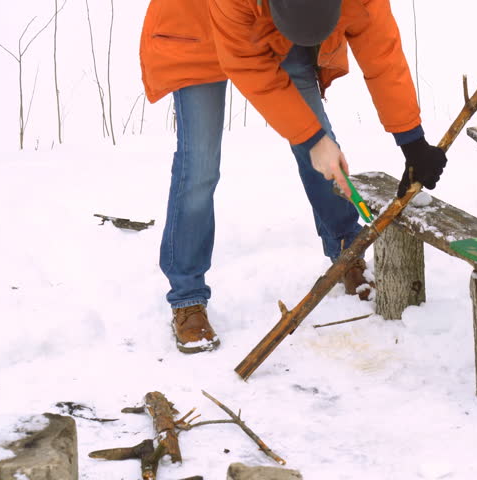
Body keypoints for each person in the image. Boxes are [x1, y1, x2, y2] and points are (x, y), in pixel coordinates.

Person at [139, 0, 447, 353]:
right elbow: (246, 64)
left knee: (321, 147)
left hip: (286, 31)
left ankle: (347, 248)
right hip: (193, 29)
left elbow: (381, 52)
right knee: (199, 167)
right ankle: (186, 296)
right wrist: (312, 139)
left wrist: (412, 141)